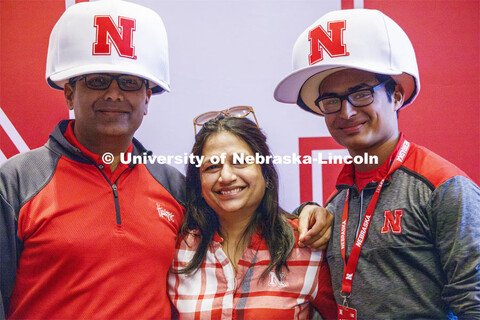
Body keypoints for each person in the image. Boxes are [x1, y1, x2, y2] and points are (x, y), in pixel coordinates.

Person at [0, 1, 329, 318]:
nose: (113, 94)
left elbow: (239, 217)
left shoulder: (173, 185)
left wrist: (305, 215)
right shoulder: (18, 182)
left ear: (147, 97)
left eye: (129, 83)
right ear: (69, 92)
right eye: (96, 81)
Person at [274, 8, 480, 319]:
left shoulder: (443, 187)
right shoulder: (338, 201)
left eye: (361, 94)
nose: (346, 112)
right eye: (332, 100)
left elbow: (473, 301)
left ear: (396, 95)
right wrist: (307, 209)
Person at [168, 112, 337, 319]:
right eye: (212, 166)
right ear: (199, 182)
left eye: (239, 161)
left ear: (265, 173)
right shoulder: (178, 249)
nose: (226, 177)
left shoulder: (306, 247)